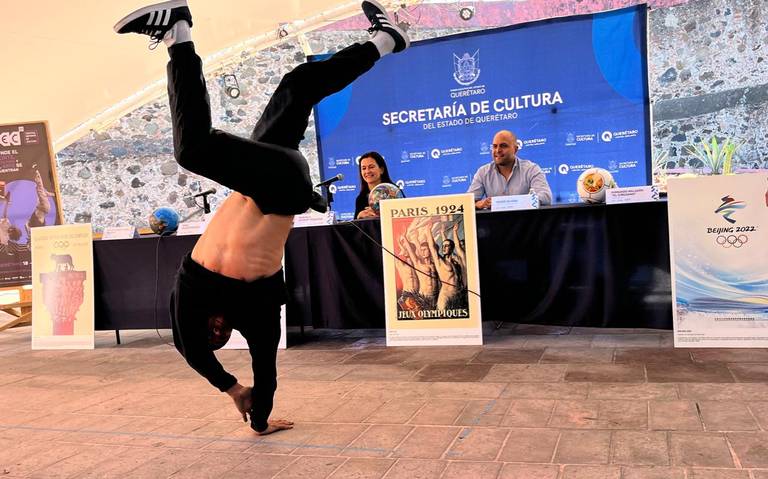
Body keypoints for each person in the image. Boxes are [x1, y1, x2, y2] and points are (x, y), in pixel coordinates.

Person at [115, 0, 409, 435]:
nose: (215, 326)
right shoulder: (256, 311)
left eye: (208, 329)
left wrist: (231, 390)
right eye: (220, 332)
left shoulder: (192, 289)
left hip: (264, 176)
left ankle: (385, 41)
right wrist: (260, 416)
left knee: (298, 85)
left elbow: (187, 345)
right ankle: (178, 31)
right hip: (282, 187)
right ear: (227, 329)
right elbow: (265, 368)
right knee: (194, 148)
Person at [468, 129, 552, 209]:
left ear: (515, 149)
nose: (497, 150)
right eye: (494, 146)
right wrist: (479, 204)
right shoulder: (483, 172)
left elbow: (545, 197)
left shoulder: (531, 169)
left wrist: (512, 202)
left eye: (503, 146)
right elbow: (466, 202)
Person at [354, 151, 395, 219]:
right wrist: (359, 216)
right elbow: (355, 228)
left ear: (381, 170)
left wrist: (381, 213)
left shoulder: (394, 192)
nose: (367, 171)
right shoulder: (360, 199)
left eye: (371, 167)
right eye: (364, 168)